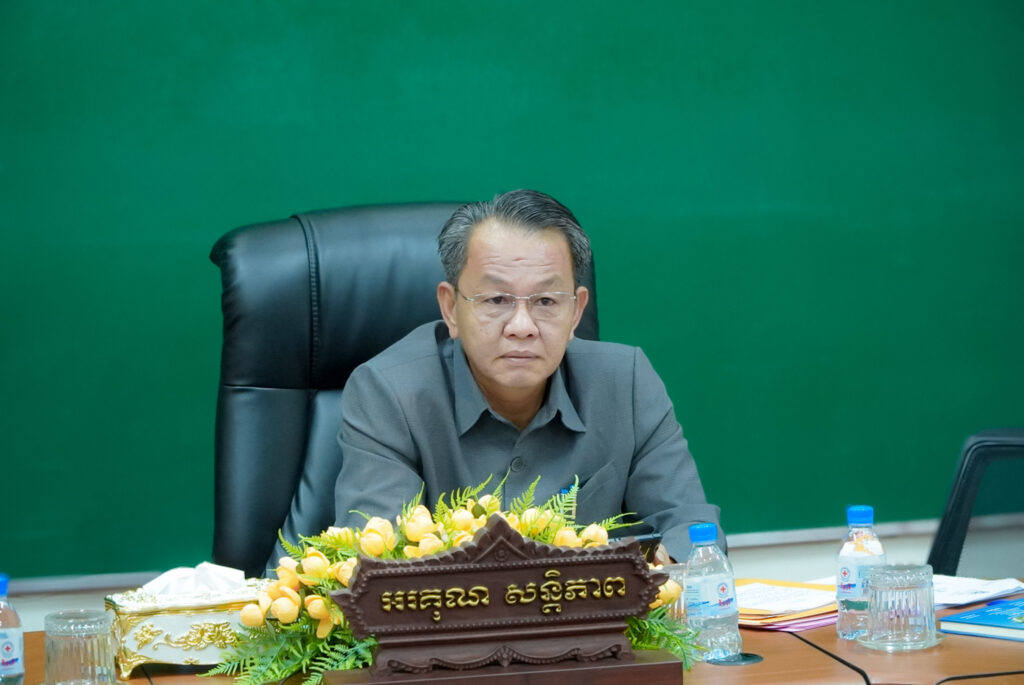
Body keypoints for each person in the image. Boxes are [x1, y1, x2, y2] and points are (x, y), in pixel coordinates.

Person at [333, 189, 721, 560]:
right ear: (451, 309)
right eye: (496, 299)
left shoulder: (626, 382)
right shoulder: (388, 394)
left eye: (546, 301)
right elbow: (379, 561)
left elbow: (690, 527)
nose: (522, 326)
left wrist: (676, 564)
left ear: (576, 311)